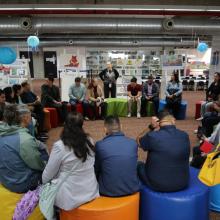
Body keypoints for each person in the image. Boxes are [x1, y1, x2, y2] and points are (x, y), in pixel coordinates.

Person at [42, 112, 99, 211]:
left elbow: (46, 176)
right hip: (91, 191)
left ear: (65, 124)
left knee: (46, 188)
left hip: (71, 198)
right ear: (82, 125)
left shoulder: (59, 146)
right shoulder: (89, 140)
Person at [137, 111, 190, 192]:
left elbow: (138, 141)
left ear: (158, 122)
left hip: (158, 185)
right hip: (183, 183)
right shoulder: (185, 135)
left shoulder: (153, 136)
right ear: (174, 120)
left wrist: (151, 127)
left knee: (138, 164)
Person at [0, 104, 48, 193]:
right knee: (45, 157)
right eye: (30, 115)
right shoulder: (25, 139)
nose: (32, 117)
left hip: (5, 179)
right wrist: (46, 166)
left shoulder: (4, 131)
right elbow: (37, 165)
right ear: (25, 118)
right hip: (21, 184)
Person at [95, 116, 139, 197]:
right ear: (121, 127)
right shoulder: (133, 143)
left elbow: (96, 168)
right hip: (131, 189)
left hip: (108, 191)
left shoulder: (99, 145)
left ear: (105, 129)